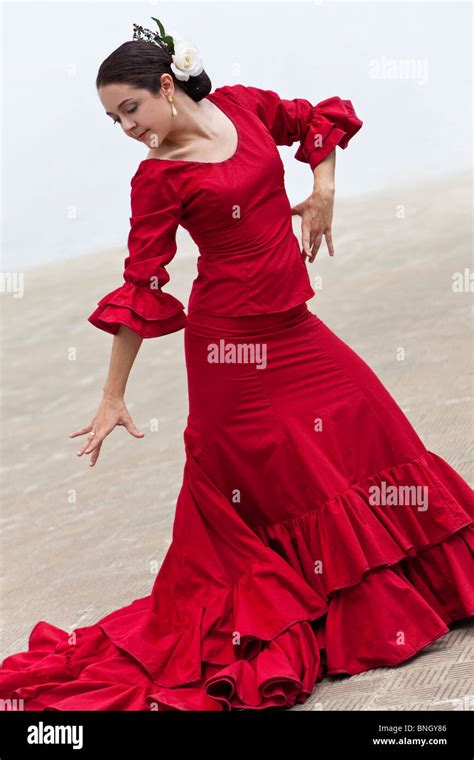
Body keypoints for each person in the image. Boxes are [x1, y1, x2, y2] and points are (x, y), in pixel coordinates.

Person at [1, 20, 472, 712]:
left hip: (296, 328)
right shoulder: (158, 178)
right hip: (230, 353)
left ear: (166, 85)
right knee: (279, 488)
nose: (125, 126)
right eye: (112, 119)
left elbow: (315, 123)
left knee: (378, 434)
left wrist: (324, 189)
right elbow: (142, 288)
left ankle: (426, 587)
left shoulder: (246, 107)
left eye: (130, 108)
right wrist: (112, 396)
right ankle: (320, 610)